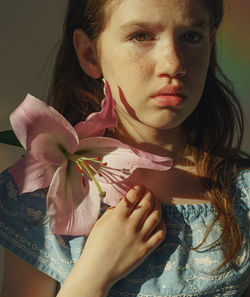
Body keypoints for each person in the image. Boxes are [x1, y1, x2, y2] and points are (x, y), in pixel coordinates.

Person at [0, 0, 249, 296]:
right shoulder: (35, 204)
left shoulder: (241, 195)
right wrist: (94, 274)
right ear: (89, 54)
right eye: (141, 36)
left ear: (210, 43)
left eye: (191, 36)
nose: (174, 64)